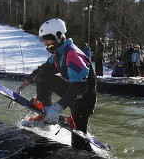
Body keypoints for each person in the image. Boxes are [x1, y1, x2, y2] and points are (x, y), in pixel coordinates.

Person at [10, 18, 97, 151]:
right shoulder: (59, 54)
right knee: (43, 74)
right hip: (73, 93)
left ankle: (90, 157)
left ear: (59, 36)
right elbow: (42, 70)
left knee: (78, 145)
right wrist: (22, 86)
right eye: (43, 39)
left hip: (85, 98)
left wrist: (57, 108)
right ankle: (45, 111)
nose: (45, 42)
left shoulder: (73, 54)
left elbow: (80, 86)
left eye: (47, 39)